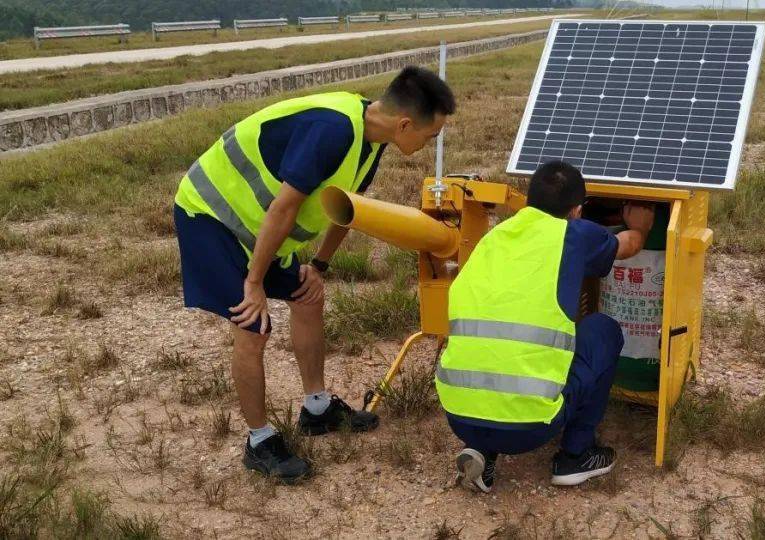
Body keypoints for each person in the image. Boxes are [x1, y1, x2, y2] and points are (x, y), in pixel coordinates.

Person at [173, 66, 456, 484]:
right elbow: (284, 209)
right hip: (212, 216)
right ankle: (259, 440)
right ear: (405, 124)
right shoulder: (333, 130)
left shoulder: (372, 138)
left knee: (308, 295)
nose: (432, 142)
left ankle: (317, 408)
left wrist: (319, 266)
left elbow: (348, 206)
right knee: (253, 325)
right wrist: (254, 284)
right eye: (431, 135)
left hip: (260, 226)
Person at [435, 160, 655, 492]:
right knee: (603, 330)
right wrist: (640, 225)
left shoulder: (493, 238)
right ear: (578, 211)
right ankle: (576, 456)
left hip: (459, 416)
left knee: (501, 341)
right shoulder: (575, 235)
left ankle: (483, 450)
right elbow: (630, 245)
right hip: (530, 428)